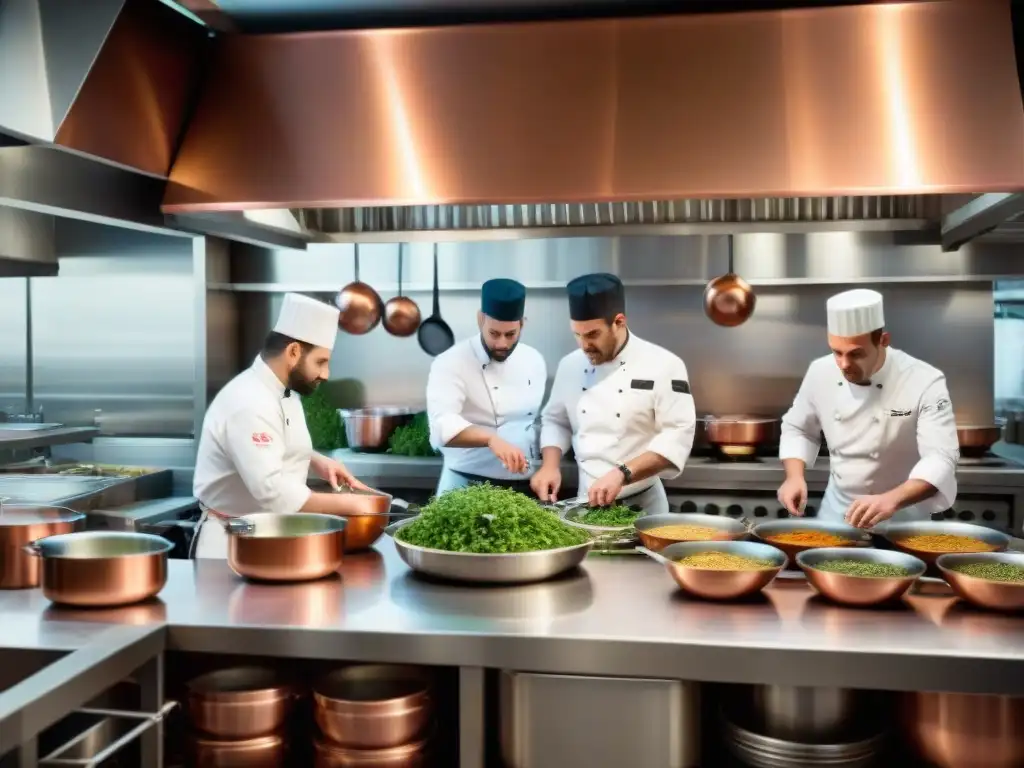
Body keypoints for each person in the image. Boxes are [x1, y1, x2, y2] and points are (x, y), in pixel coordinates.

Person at [192, 293, 371, 558]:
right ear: (294, 352)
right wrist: (351, 506)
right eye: (321, 362)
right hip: (235, 540)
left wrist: (315, 460)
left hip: (270, 535)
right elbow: (272, 491)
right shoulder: (249, 401)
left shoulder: (283, 390)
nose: (326, 374)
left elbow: (269, 443)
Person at [777, 288, 959, 529]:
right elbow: (798, 428)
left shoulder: (924, 380)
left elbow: (941, 457)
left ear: (883, 341)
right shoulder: (820, 372)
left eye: (856, 354)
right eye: (837, 352)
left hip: (901, 517)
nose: (844, 364)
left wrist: (891, 500)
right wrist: (794, 477)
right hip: (836, 515)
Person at [531, 273, 696, 514]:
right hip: (586, 503)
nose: (584, 345)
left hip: (642, 507)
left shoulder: (664, 364)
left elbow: (677, 433)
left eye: (592, 335)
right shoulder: (570, 365)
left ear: (618, 322)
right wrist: (550, 465)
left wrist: (623, 473)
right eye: (577, 334)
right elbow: (556, 419)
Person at [426, 278, 547, 495]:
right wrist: (491, 439)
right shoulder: (450, 362)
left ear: (522, 324)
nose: (502, 343)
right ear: (480, 319)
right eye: (494, 333)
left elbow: (532, 422)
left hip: (522, 485)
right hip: (464, 485)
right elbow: (441, 425)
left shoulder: (534, 360)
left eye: (511, 334)